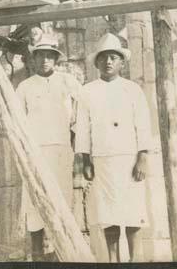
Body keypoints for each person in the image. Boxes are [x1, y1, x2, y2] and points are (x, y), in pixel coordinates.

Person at [75, 33, 152, 263]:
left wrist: (143, 157)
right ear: (97, 63)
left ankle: (134, 259)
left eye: (113, 57)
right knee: (107, 215)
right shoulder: (87, 91)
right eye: (104, 58)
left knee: (132, 213)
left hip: (129, 160)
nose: (108, 62)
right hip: (102, 160)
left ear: (121, 62)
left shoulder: (133, 90)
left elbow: (143, 125)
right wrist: (85, 160)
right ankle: (112, 261)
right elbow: (82, 129)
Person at [16, 33, 82, 261]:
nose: (45, 60)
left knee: (62, 200)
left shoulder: (68, 82)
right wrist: (25, 153)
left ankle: (61, 253)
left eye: (49, 56)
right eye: (41, 55)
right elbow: (18, 122)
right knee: (35, 201)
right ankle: (37, 254)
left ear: (56, 59)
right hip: (35, 153)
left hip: (62, 150)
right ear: (33, 59)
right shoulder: (24, 87)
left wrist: (78, 146)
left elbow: (81, 114)